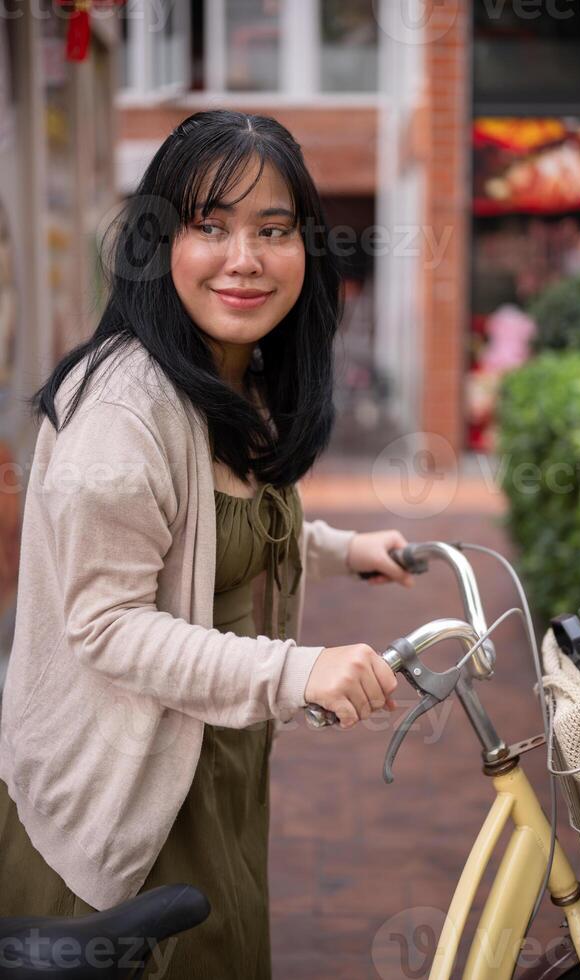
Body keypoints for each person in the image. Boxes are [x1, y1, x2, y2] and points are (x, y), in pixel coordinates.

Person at [0, 109, 414, 978]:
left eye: (273, 230)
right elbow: (107, 626)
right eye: (210, 228)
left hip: (213, 772)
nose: (246, 259)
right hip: (119, 811)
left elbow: (207, 529)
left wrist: (340, 546)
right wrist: (297, 670)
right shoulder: (123, 409)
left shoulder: (232, 376)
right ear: (157, 242)